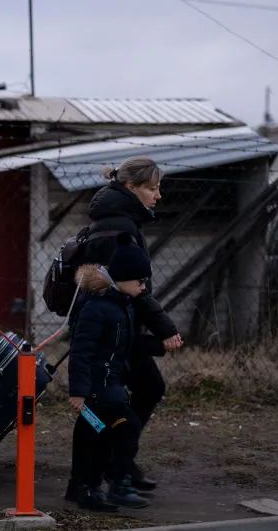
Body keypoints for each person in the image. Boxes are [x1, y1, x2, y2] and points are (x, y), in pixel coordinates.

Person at [80, 157, 183, 490]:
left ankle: (116, 464)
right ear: (130, 187)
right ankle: (112, 467)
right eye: (152, 188)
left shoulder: (118, 220)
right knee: (141, 391)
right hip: (113, 330)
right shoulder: (120, 228)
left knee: (134, 394)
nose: (159, 195)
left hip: (117, 326)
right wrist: (165, 329)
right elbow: (132, 287)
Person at [68, 235, 153, 511]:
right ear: (123, 278)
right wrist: (79, 392)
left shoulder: (122, 306)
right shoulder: (96, 308)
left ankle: (105, 484)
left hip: (111, 391)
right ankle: (92, 488)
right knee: (95, 437)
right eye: (140, 281)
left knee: (120, 431)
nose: (144, 287)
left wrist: (159, 345)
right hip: (94, 395)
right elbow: (81, 352)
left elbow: (122, 348)